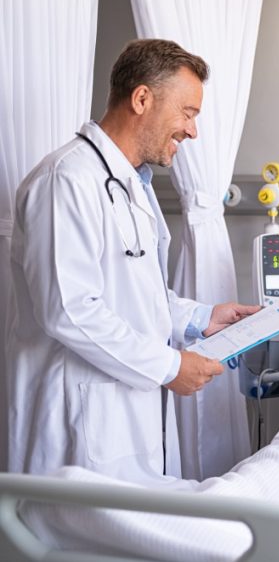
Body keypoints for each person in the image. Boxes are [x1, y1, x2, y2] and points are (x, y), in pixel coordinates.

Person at [5, 39, 259, 483]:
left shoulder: (130, 184)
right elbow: (68, 308)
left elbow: (133, 290)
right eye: (188, 113)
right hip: (76, 419)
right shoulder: (65, 180)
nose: (192, 131)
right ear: (142, 98)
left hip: (123, 412)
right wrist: (169, 366)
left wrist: (201, 316)